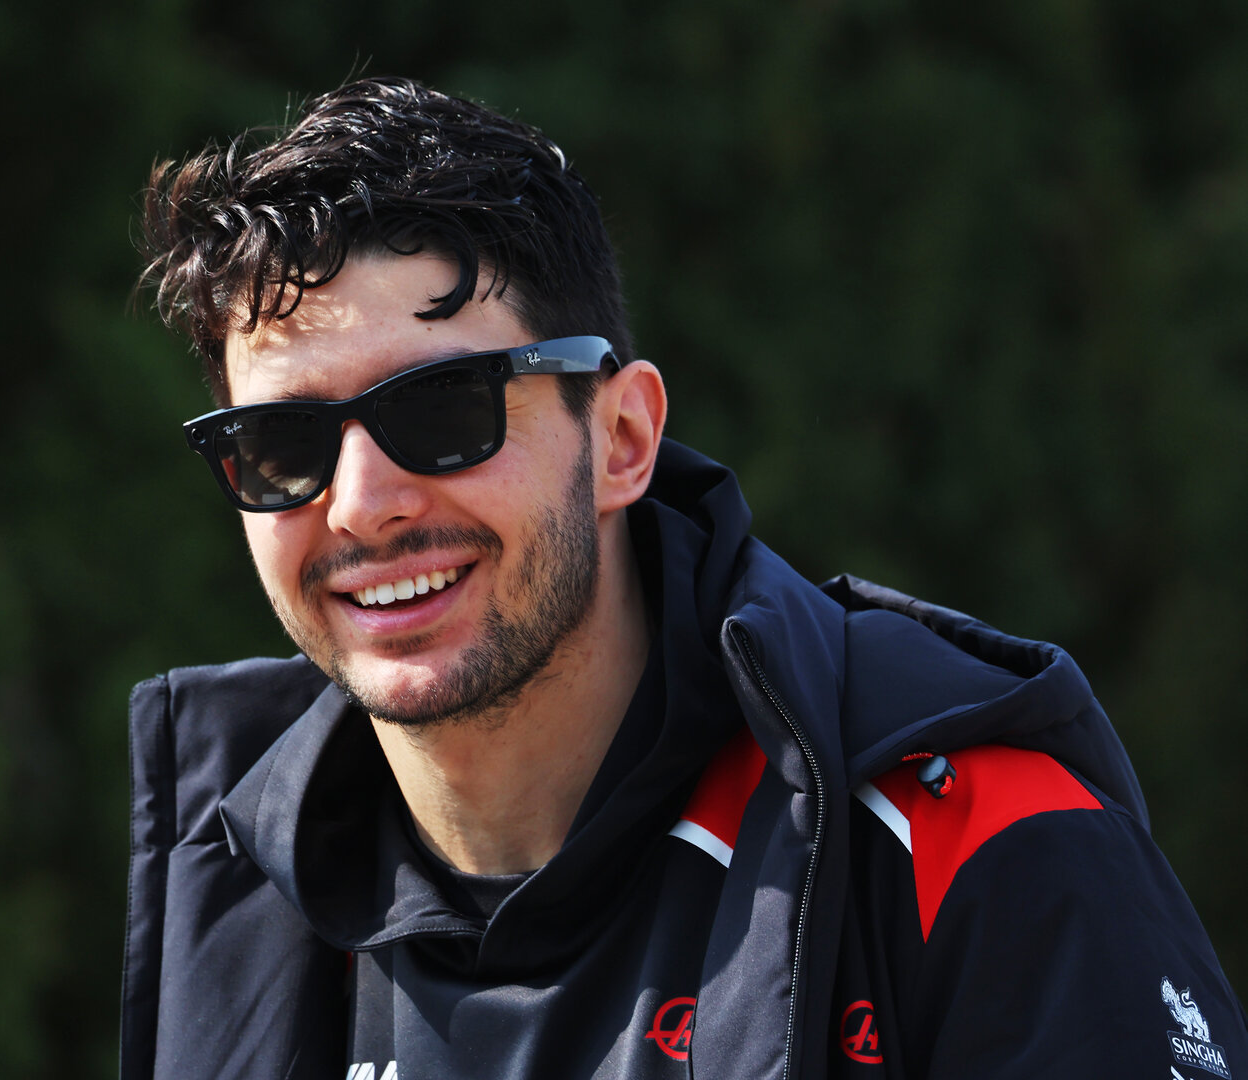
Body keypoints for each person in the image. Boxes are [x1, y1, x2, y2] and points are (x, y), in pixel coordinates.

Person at [120, 76, 1245, 1079]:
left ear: (622, 439)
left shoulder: (972, 843)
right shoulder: (228, 886)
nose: (362, 503)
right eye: (282, 446)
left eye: (444, 413)